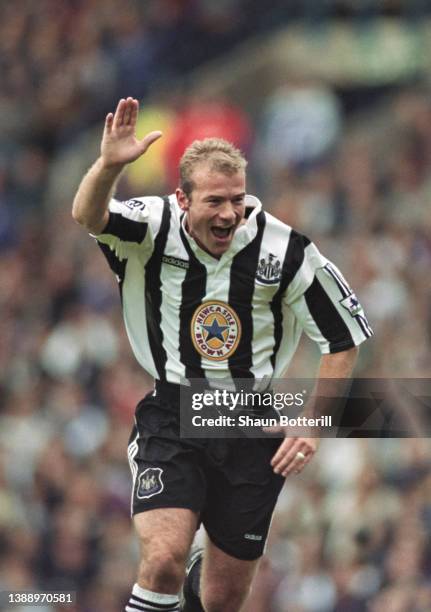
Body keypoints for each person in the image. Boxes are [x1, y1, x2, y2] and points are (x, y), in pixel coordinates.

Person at [72, 97, 373, 612]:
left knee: (220, 599)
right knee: (163, 558)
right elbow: (88, 214)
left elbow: (343, 340)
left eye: (238, 198)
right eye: (214, 200)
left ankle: (196, 582)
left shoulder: (286, 250)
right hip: (173, 413)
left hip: (252, 421)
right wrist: (108, 166)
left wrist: (313, 423)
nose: (230, 212)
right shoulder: (151, 226)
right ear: (182, 199)